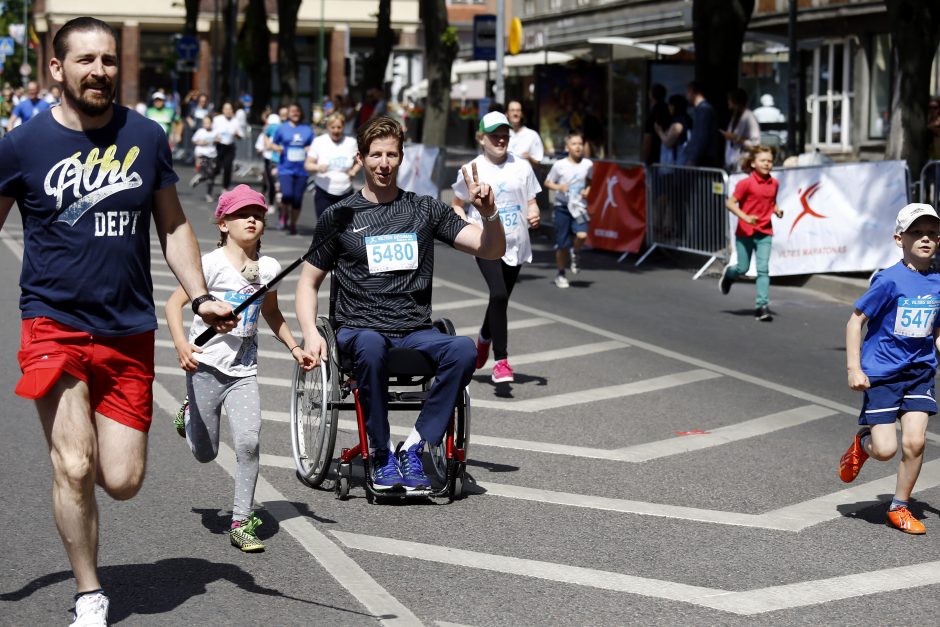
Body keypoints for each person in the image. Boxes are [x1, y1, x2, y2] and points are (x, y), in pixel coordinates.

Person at [0, 17, 235, 626]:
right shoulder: (23, 146)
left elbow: (174, 224)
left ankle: (85, 515)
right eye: (85, 61)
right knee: (73, 464)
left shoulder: (147, 136)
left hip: (127, 330)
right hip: (52, 323)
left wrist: (200, 293)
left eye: (108, 60)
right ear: (57, 69)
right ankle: (89, 592)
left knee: (122, 479)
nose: (99, 70)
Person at [295, 115, 504, 492]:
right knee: (372, 343)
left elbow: (491, 248)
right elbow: (308, 283)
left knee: (461, 349)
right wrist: (311, 332)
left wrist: (489, 213)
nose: (384, 163)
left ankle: (414, 447)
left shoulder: (425, 210)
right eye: (376, 155)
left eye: (391, 154)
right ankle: (379, 452)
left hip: (413, 331)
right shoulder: (339, 216)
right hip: (359, 331)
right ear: (361, 158)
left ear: (402, 157)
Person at [165, 185, 315, 552]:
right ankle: (189, 412)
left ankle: (241, 520)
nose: (251, 219)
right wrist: (182, 345)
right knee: (206, 453)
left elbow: (271, 312)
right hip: (205, 368)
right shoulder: (209, 265)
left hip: (243, 372)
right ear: (223, 223)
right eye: (241, 213)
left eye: (258, 214)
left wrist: (295, 347)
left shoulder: (269, 268)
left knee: (249, 442)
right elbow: (173, 305)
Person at [839, 203, 940, 535]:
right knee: (886, 450)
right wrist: (854, 368)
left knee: (915, 443)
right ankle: (863, 442)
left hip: (920, 371)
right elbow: (856, 323)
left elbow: (935, 328)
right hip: (882, 373)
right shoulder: (888, 280)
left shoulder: (939, 280)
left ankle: (899, 507)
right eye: (917, 232)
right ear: (900, 238)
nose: (925, 238)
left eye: (932, 233)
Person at [452, 111, 541, 383]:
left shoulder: (522, 166)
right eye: (494, 136)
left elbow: (531, 199)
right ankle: (501, 361)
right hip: (486, 240)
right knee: (499, 294)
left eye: (504, 135)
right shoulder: (471, 169)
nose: (500, 140)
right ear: (482, 138)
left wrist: (534, 210)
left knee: (499, 299)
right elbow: (457, 204)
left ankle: (484, 336)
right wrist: (463, 222)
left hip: (516, 241)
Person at [718, 146, 783, 321]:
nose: (767, 164)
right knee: (743, 268)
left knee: (763, 269)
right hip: (745, 232)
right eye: (763, 160)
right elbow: (730, 203)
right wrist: (745, 217)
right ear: (753, 163)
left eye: (770, 161)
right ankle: (729, 275)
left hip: (765, 232)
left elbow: (771, 202)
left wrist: (776, 210)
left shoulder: (774, 183)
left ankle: (762, 306)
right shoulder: (745, 183)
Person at [544, 130, 592, 287]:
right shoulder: (559, 165)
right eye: (574, 144)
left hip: (579, 207)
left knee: (583, 235)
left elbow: (589, 180)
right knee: (562, 244)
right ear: (567, 148)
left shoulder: (588, 164)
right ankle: (561, 273)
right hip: (562, 207)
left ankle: (576, 252)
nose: (578, 147)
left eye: (580, 144)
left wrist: (587, 190)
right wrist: (559, 186)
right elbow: (547, 183)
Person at [270, 102, 314, 235]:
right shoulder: (282, 128)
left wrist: (309, 148)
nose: (295, 113)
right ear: (288, 113)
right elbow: (273, 144)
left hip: (302, 169)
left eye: (297, 111)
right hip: (286, 168)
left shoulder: (307, 129)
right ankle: (284, 214)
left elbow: (314, 146)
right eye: (292, 111)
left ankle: (293, 223)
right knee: (287, 194)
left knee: (297, 199)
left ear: (301, 113)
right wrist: (278, 148)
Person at [305, 111, 360, 218]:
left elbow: (360, 160)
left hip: (345, 192)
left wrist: (354, 171)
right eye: (333, 127)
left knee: (343, 229)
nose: (336, 130)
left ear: (343, 127)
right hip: (324, 191)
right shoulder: (319, 142)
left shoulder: (351, 142)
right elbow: (308, 165)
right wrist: (318, 167)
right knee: (325, 227)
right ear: (328, 127)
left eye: (339, 127)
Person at [682, 81, 722, 168]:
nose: (687, 96)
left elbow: (701, 136)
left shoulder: (704, 109)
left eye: (688, 92)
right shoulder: (701, 109)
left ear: (693, 91)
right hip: (702, 157)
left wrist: (693, 158)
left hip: (703, 159)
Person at [721, 88, 761, 172]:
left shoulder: (749, 117)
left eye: (729, 99)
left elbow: (755, 143)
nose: (728, 102)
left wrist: (736, 138)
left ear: (735, 100)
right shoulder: (735, 116)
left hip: (743, 164)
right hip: (732, 162)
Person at [213, 101, 243, 191]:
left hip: (230, 146)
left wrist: (237, 134)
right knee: (217, 167)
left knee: (228, 167)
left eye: (230, 109)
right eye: (226, 109)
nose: (228, 111)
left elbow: (241, 135)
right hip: (219, 146)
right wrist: (215, 138)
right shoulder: (217, 119)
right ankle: (208, 176)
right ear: (223, 110)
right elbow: (212, 132)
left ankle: (225, 187)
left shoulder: (235, 121)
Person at [506, 100, 544, 170]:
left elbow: (539, 166)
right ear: (507, 113)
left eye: (518, 110)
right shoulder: (502, 135)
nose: (515, 113)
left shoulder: (532, 135)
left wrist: (529, 158)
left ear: (522, 114)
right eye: (512, 110)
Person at [190, 114, 219, 202]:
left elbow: (219, 139)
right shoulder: (200, 131)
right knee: (208, 173)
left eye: (208, 122)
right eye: (205, 123)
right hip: (202, 154)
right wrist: (201, 142)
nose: (207, 124)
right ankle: (201, 179)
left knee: (212, 175)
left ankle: (208, 192)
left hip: (212, 155)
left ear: (211, 123)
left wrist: (213, 140)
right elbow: (193, 140)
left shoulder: (215, 131)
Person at [641, 83, 671, 165]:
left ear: (651, 95)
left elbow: (648, 138)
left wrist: (644, 158)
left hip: (655, 156)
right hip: (670, 156)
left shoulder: (653, 113)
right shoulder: (669, 110)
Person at [259, 112, 281, 212]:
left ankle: (279, 200)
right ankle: (271, 203)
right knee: (271, 182)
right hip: (268, 160)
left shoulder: (281, 132)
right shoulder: (265, 133)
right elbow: (262, 146)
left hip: (279, 160)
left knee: (278, 183)